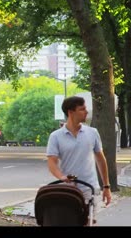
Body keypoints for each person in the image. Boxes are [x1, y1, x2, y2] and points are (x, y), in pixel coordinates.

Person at [46, 96, 111, 225]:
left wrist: (106, 186)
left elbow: (100, 159)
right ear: (71, 112)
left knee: (88, 222)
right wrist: (62, 177)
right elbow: (52, 162)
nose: (86, 112)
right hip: (68, 189)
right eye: (82, 109)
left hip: (89, 188)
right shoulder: (56, 136)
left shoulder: (92, 133)